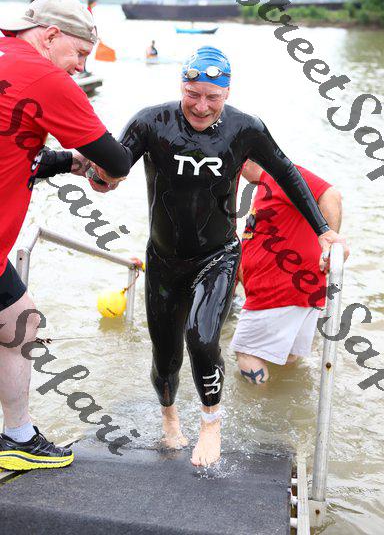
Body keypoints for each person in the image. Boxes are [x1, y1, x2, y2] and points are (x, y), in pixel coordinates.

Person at [52, 45, 349, 467]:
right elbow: (117, 166)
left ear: (227, 93)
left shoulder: (246, 128)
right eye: (193, 94)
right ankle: (170, 419)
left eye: (213, 97)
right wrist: (101, 178)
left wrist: (324, 231)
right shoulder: (151, 121)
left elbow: (286, 172)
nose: (202, 106)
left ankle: (211, 424)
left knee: (202, 336)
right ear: (182, 87)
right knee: (165, 357)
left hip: (218, 256)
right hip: (164, 259)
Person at [0, 0, 133, 471]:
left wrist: (69, 162)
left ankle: (17, 438)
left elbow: (16, 145)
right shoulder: (44, 77)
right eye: (78, 53)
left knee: (20, 320)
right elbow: (116, 160)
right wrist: (102, 171)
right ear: (51, 35)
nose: (80, 67)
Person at [231, 160, 343, 383]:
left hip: (281, 289)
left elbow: (331, 195)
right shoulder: (265, 185)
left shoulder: (281, 173)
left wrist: (329, 245)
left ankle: (259, 405)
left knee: (247, 352)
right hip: (295, 291)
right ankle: (283, 402)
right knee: (286, 358)